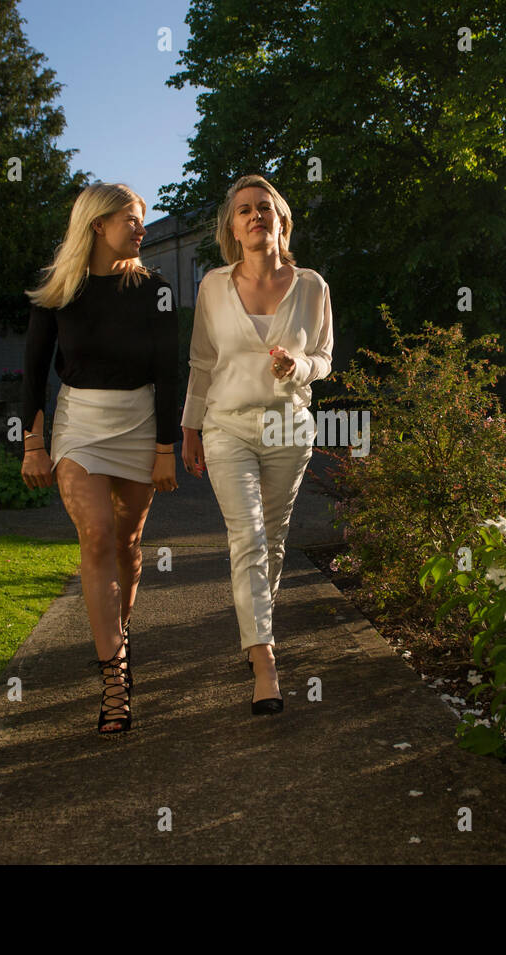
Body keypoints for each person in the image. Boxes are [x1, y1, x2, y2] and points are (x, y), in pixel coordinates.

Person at [20, 182, 179, 735]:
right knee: (95, 536)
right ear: (97, 225)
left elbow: (170, 373)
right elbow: (34, 371)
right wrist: (33, 444)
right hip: (79, 425)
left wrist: (165, 449)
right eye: (131, 220)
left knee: (127, 544)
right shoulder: (61, 290)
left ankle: (118, 635)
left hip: (138, 424)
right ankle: (114, 675)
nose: (141, 228)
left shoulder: (155, 290)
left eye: (142, 218)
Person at [181, 174, 334, 716]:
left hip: (287, 428)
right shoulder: (212, 287)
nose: (255, 216)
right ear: (232, 227)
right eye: (244, 209)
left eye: (264, 207)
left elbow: (325, 358)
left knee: (273, 536)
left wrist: (300, 367)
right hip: (227, 425)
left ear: (281, 219)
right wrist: (190, 427)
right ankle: (265, 659)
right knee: (247, 536)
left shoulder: (312, 285)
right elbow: (202, 362)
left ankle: (256, 633)